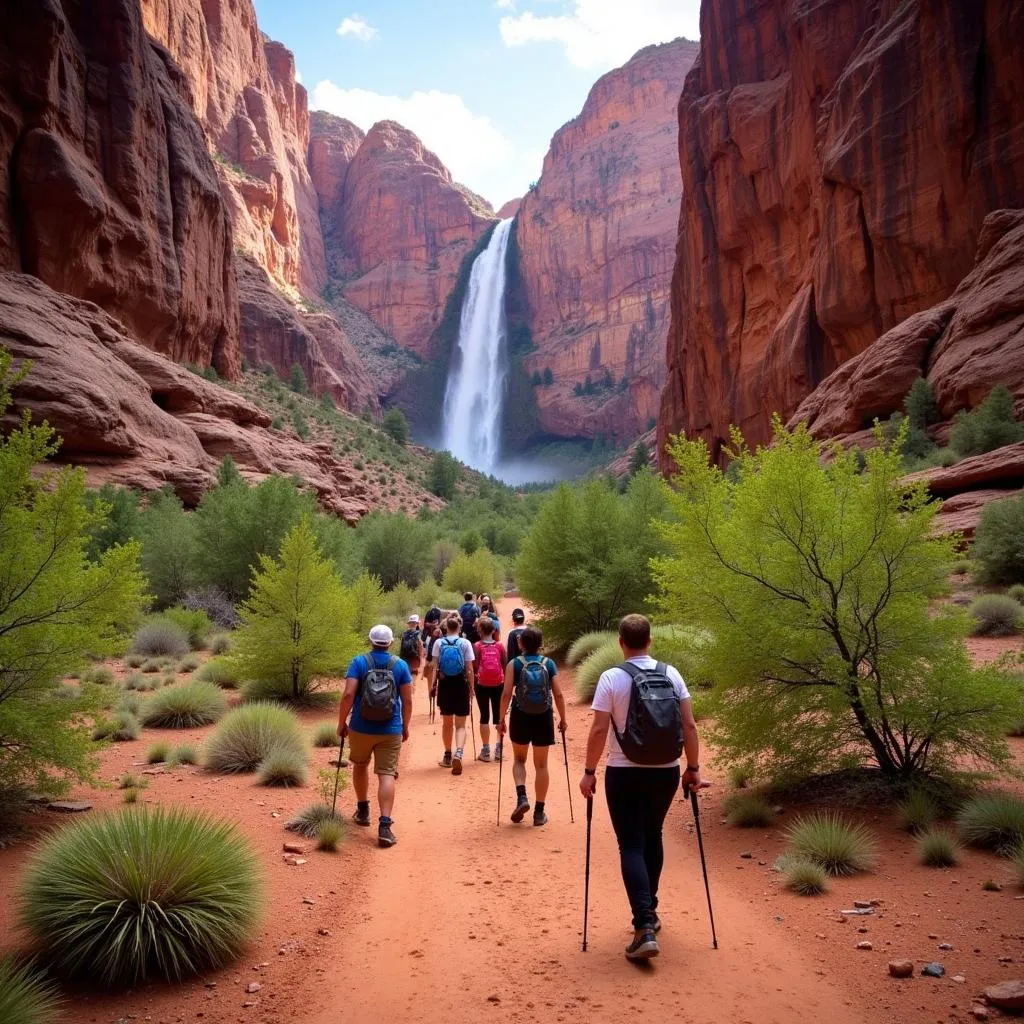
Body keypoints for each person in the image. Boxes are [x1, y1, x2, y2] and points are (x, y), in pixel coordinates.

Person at [578, 613, 702, 961]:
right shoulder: (671, 674)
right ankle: (652, 911)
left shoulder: (611, 678)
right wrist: (692, 768)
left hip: (624, 772)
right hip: (666, 772)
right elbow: (689, 726)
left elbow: (600, 731)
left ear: (621, 642)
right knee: (653, 836)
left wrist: (589, 771)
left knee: (630, 844)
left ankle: (643, 926)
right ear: (650, 640)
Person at [338, 624, 414, 848]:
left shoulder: (359, 662)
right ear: (391, 643)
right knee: (387, 775)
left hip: (361, 727)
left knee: (360, 766)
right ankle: (384, 825)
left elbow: (348, 695)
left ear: (370, 641)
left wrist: (341, 723)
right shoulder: (400, 665)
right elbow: (408, 701)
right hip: (390, 730)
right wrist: (405, 726)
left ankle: (363, 810)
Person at [497, 626, 566, 826]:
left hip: (520, 715)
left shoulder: (514, 664)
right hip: (544, 716)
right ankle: (539, 812)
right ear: (540, 643)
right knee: (542, 765)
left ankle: (521, 797)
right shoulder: (549, 663)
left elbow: (506, 694)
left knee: (519, 759)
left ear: (521, 643)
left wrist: (501, 720)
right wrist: (563, 719)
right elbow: (559, 694)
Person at [435, 614, 476, 774]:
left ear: (445, 627)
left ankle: (447, 755)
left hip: (445, 684)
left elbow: (434, 665)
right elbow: (470, 669)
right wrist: (472, 687)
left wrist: (433, 685)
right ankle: (459, 753)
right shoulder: (465, 643)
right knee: (460, 724)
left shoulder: (439, 643)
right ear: (459, 627)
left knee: (447, 723)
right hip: (461, 684)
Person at [473, 615, 506, 762]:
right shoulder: (499, 646)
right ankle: (499, 749)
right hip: (499, 683)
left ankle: (485, 751)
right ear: (493, 630)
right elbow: (505, 665)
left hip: (482, 684)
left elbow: (475, 666)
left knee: (484, 716)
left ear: (480, 630)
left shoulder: (477, 646)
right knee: (499, 716)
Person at [399, 614, 425, 679]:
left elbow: (401, 648)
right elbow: (420, 649)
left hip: (404, 660)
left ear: (409, 624)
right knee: (413, 681)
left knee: (404, 679)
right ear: (417, 624)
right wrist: (421, 664)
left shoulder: (404, 634)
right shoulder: (419, 634)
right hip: (415, 661)